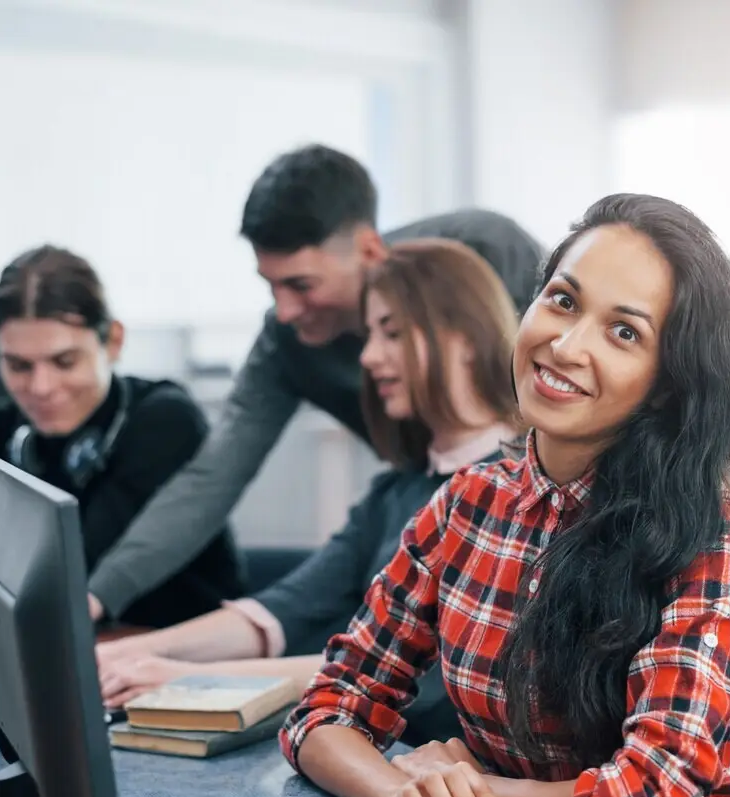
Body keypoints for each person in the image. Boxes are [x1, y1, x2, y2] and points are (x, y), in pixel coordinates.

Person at [278, 193, 730, 797]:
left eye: (623, 331)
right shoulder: (467, 503)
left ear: (669, 380)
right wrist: (403, 788)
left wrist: (474, 792)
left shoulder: (709, 531)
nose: (566, 345)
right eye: (562, 301)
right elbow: (327, 708)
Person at [83, 145, 544, 624]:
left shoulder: (486, 253)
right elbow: (213, 477)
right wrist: (98, 596)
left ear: (368, 251)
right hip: (419, 529)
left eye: (301, 285)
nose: (284, 311)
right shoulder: (286, 343)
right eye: (271, 286)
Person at [95, 239, 520, 744]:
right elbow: (286, 607)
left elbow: (412, 677)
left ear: (464, 338)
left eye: (392, 333)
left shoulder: (513, 494)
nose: (367, 356)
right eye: (370, 333)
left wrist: (189, 678)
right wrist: (127, 657)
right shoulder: (398, 491)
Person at [0, 245, 244, 630]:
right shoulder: (2, 426)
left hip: (185, 666)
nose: (41, 387)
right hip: (71, 662)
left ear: (113, 342)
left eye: (64, 362)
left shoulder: (165, 420)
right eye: (19, 365)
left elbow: (66, 585)